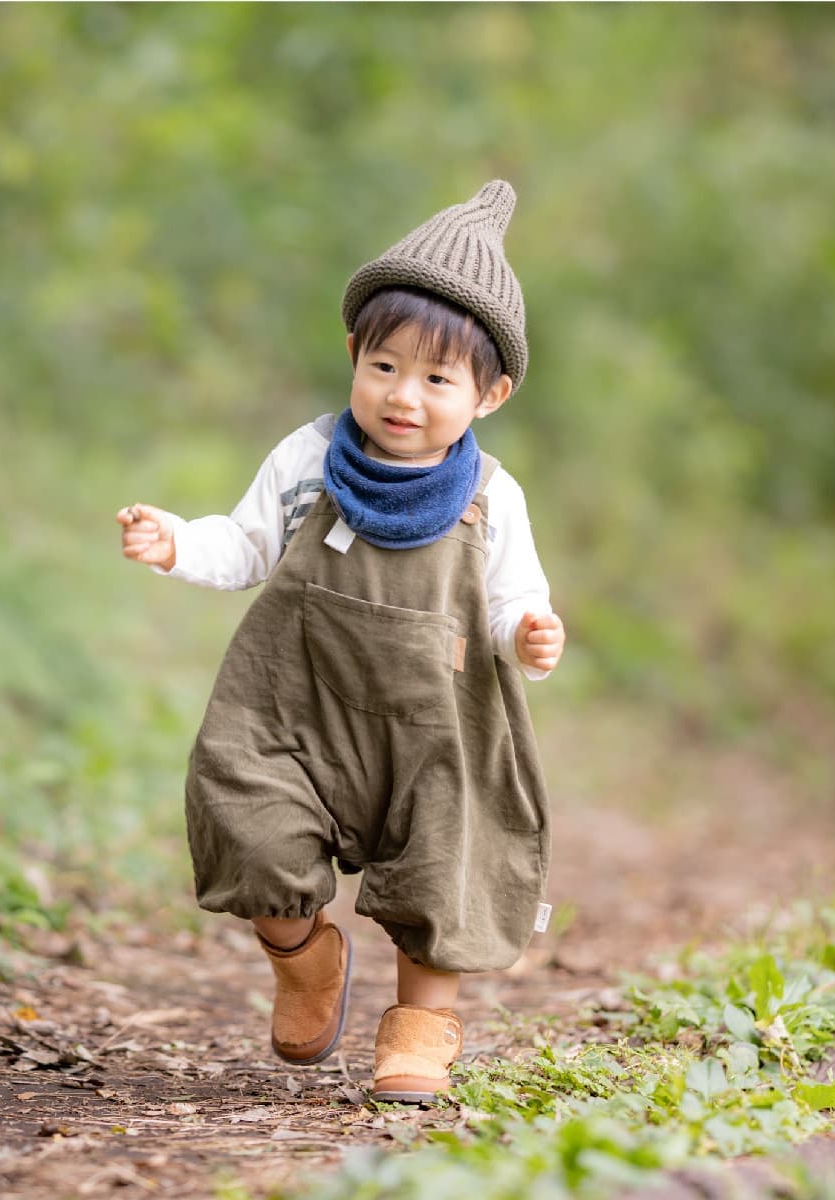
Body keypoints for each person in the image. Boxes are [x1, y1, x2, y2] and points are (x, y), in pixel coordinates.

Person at [115, 180, 562, 1103]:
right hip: (298, 707)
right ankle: (304, 956)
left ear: (491, 393)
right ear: (354, 352)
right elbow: (246, 543)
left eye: (438, 379)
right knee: (246, 809)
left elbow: (509, 598)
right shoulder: (309, 457)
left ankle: (418, 1031)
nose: (406, 396)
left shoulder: (493, 498)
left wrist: (526, 635)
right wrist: (177, 543)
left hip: (436, 724)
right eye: (386, 367)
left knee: (446, 858)